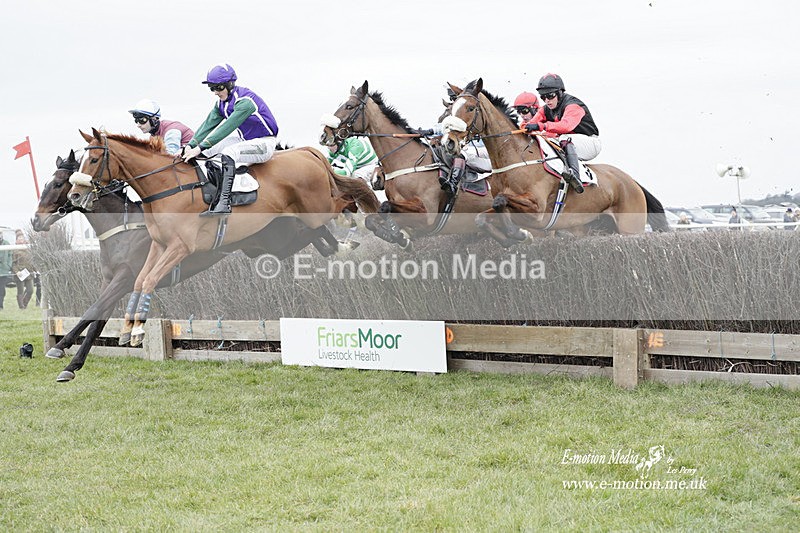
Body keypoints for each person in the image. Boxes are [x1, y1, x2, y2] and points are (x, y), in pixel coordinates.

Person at [182, 63, 280, 217]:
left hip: (264, 143)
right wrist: (191, 144)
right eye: (212, 88)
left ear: (230, 84)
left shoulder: (246, 101)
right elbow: (208, 124)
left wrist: (199, 147)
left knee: (228, 153)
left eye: (218, 88)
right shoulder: (221, 104)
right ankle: (210, 192)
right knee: (209, 151)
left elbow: (226, 127)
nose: (215, 92)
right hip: (245, 140)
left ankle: (224, 202)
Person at [522, 73, 601, 194]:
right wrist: (525, 127)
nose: (547, 100)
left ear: (560, 93)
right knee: (544, 140)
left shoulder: (573, 105)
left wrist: (541, 126)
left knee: (563, 138)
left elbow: (566, 126)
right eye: (543, 97)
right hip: (569, 142)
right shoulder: (545, 109)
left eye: (550, 95)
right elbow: (527, 125)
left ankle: (575, 176)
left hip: (590, 143)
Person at [128, 99, 194, 156]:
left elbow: (169, 157)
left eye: (142, 120)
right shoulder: (153, 136)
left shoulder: (171, 131)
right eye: (136, 121)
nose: (138, 125)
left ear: (154, 119)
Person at [11, 230, 35, 309]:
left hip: (28, 272)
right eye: (19, 238)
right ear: (16, 239)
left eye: (22, 237)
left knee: (30, 290)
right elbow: (13, 263)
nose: (21, 239)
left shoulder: (28, 247)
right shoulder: (15, 249)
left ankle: (25, 303)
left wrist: (34, 269)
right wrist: (17, 272)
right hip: (20, 273)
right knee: (20, 290)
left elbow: (32, 259)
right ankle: (21, 307)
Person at [0, 234, 11, 310]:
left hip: (3, 270)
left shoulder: (6, 243)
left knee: (2, 289)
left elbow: (10, 255)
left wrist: (8, 265)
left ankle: (0, 304)